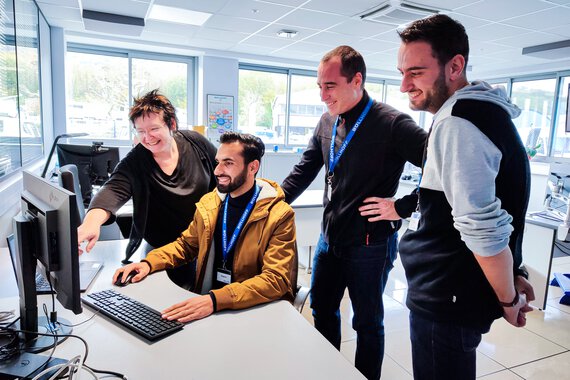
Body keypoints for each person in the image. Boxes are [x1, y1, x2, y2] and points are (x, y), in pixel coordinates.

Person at [361, 14, 535, 380]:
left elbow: (482, 228)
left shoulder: (459, 122)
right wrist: (514, 271)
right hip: (452, 289)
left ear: (455, 66)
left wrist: (507, 298)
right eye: (401, 71)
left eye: (416, 72)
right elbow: (491, 204)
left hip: (447, 296)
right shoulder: (480, 113)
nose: (404, 84)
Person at [281, 45, 427, 380]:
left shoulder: (392, 123)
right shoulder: (327, 120)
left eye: (329, 86)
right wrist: (271, 203)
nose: (322, 95)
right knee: (322, 309)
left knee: (367, 323)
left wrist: (402, 206)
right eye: (319, 86)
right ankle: (329, 371)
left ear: (356, 80)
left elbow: (445, 168)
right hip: (329, 241)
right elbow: (305, 169)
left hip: (370, 244)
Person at [114, 132, 297, 322]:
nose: (217, 171)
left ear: (253, 167)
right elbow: (186, 245)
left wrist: (215, 300)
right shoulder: (211, 202)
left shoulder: (279, 215)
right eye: (218, 162)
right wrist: (149, 263)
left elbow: (275, 280)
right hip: (209, 304)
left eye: (228, 163)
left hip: (250, 310)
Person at [78, 90, 217, 273]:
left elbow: (222, 171)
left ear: (171, 124)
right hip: (160, 249)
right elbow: (112, 190)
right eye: (141, 131)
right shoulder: (135, 162)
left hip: (203, 241)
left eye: (154, 129)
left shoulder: (195, 142)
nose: (147, 137)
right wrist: (91, 223)